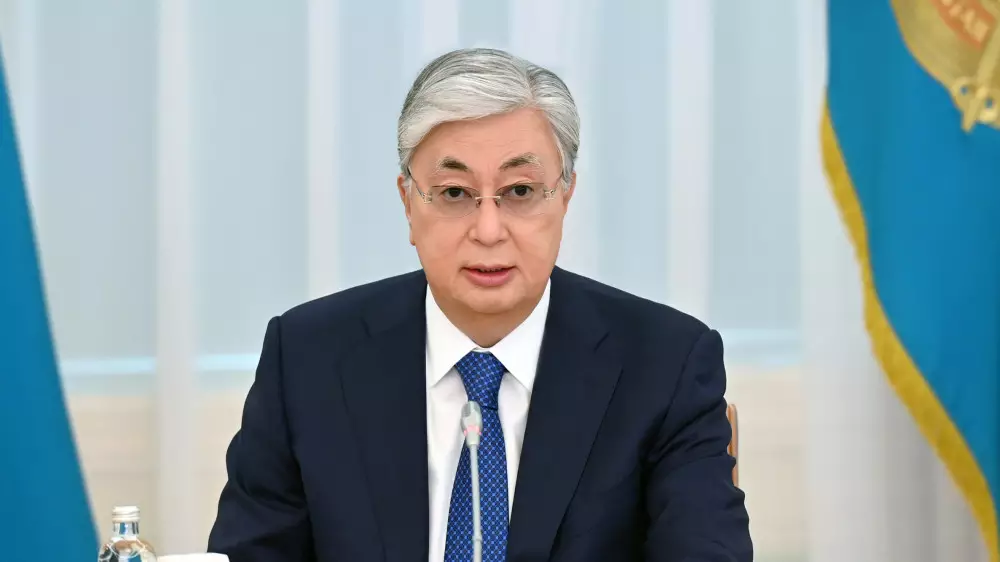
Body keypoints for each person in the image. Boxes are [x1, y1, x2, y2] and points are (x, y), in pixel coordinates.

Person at [208, 47, 752, 562]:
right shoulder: (308, 359)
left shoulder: (665, 364)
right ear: (408, 202)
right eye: (454, 193)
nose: (488, 231)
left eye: (520, 191)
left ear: (565, 197)